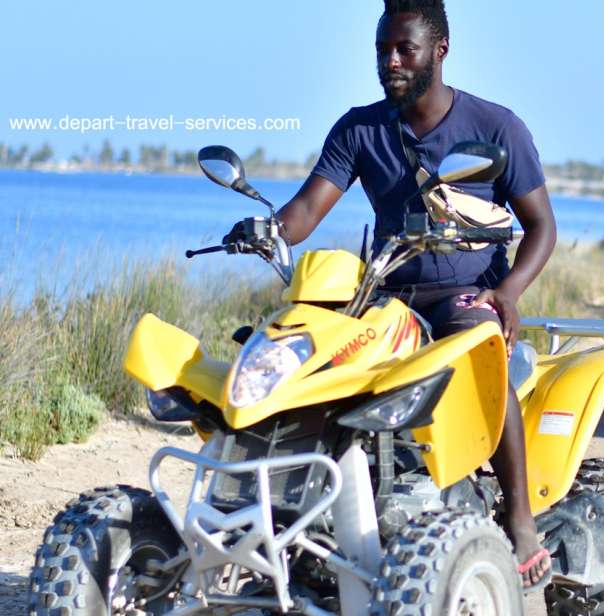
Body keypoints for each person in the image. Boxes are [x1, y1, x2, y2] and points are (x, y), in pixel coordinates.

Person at [225, 0, 556, 589]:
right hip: (387, 296)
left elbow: (542, 227)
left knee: (484, 354)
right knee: (313, 362)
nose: (391, 61)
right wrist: (269, 230)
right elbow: (307, 207)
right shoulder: (360, 128)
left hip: (466, 293)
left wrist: (506, 293)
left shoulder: (495, 127)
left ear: (440, 51)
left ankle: (521, 517)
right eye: (383, 50)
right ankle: (301, 513)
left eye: (405, 49)